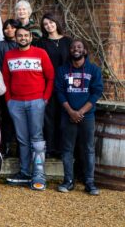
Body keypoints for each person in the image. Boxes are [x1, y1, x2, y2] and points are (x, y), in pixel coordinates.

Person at [3, 26, 54, 190]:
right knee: (22, 139)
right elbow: (5, 79)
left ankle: (38, 175)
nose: (23, 38)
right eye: (20, 35)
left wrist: (44, 99)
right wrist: (9, 100)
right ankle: (25, 172)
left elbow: (51, 77)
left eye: (26, 35)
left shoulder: (41, 54)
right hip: (16, 103)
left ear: (31, 37)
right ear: (15, 38)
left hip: (36, 101)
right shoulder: (9, 55)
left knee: (37, 138)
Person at [55, 39, 103, 195]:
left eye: (79, 47)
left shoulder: (94, 70)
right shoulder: (62, 70)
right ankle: (68, 181)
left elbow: (96, 93)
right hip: (67, 115)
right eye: (73, 47)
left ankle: (89, 182)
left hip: (87, 116)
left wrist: (80, 112)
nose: (76, 49)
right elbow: (59, 92)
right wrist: (71, 111)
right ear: (70, 51)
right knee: (67, 149)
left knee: (89, 149)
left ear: (85, 51)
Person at [35, 13, 72, 158]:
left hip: (64, 84)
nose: (49, 26)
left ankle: (62, 149)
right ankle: (50, 148)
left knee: (63, 116)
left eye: (51, 22)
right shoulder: (41, 43)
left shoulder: (68, 41)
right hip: (47, 84)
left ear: (56, 22)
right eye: (45, 24)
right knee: (48, 117)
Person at [0, 18, 19, 156]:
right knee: (6, 118)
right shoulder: (0, 46)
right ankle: (6, 147)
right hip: (5, 87)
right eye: (6, 28)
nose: (9, 30)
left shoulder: (22, 45)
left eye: (13, 27)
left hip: (20, 88)